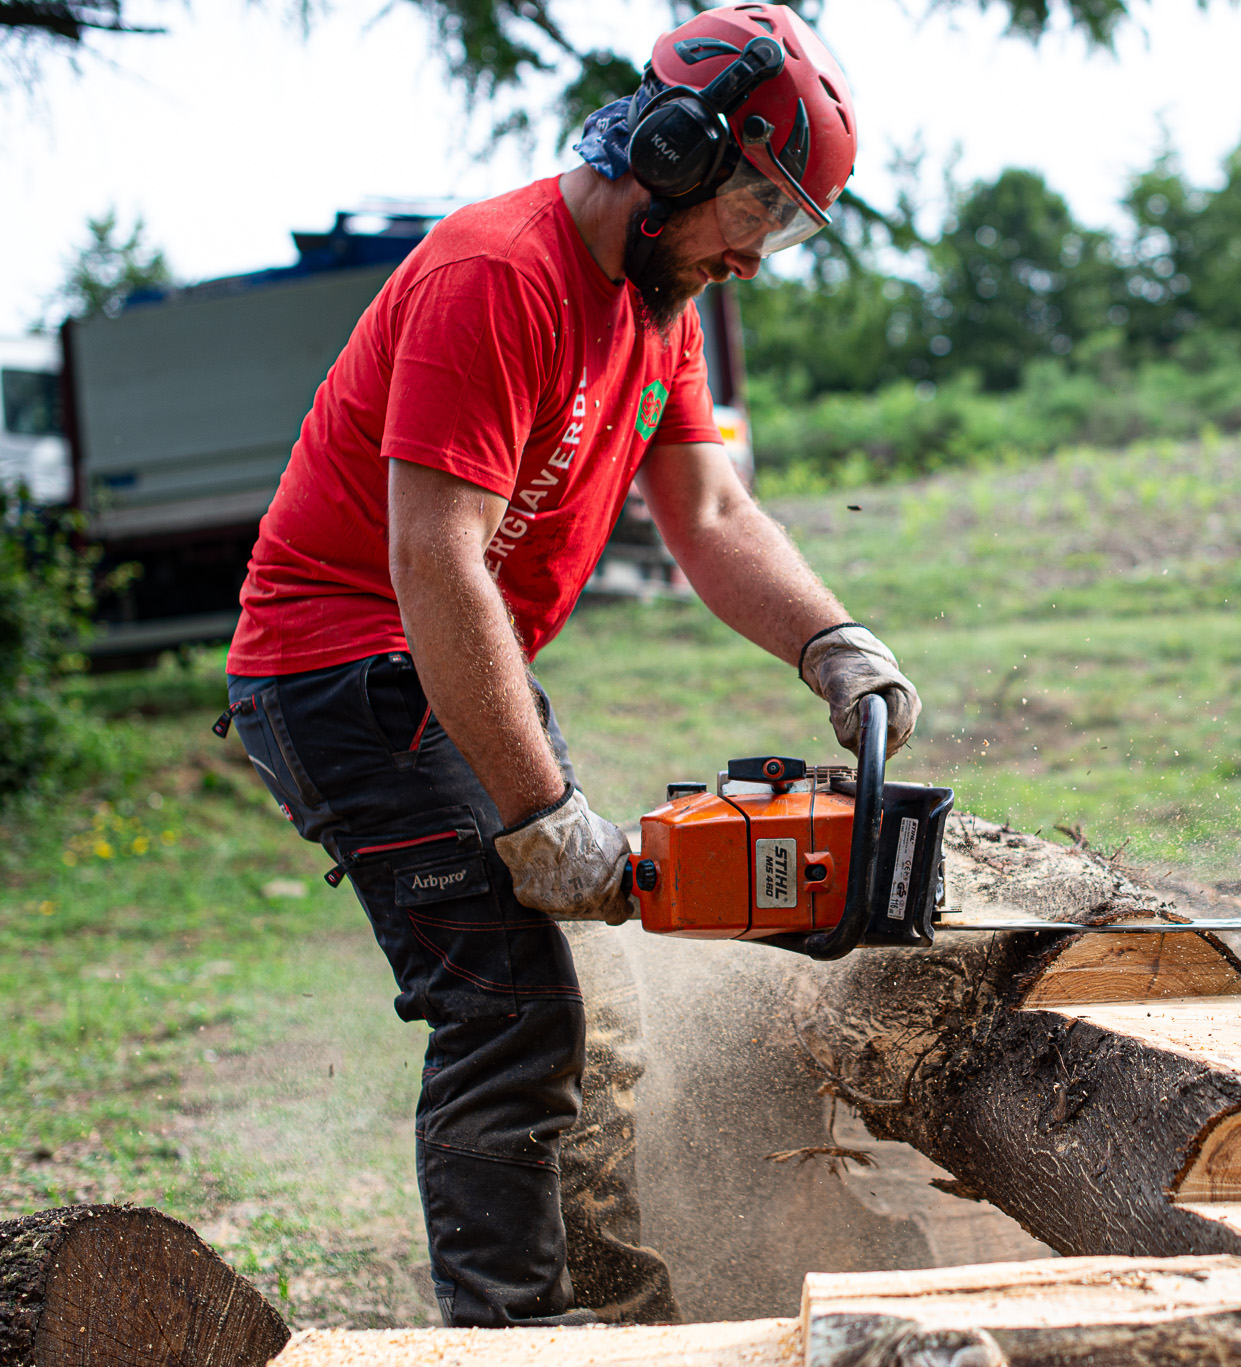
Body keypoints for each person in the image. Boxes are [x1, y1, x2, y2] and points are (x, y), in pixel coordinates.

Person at [216, 3, 920, 1328]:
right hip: (343, 672)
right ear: (676, 151)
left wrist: (832, 642)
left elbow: (709, 516)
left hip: (443, 660)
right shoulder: (502, 275)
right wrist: (542, 818)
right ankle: (516, 1340)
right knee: (506, 1003)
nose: (754, 257)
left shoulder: (664, 306)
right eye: (755, 214)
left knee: (585, 1007)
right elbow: (435, 560)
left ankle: (622, 1314)